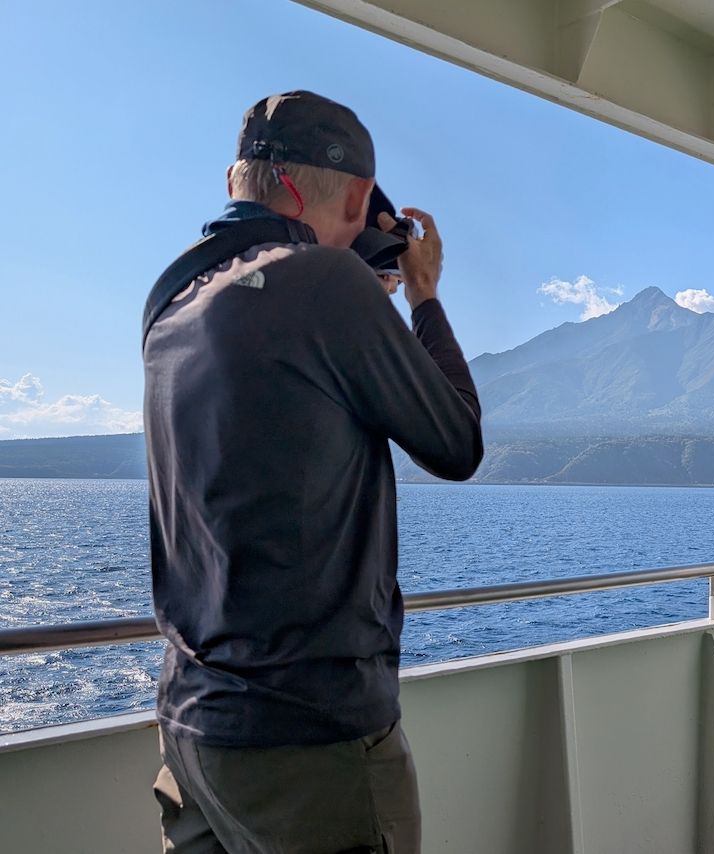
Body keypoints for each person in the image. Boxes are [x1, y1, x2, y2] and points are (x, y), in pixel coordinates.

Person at [143, 90, 483, 853]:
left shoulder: (171, 300)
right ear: (360, 196)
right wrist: (421, 298)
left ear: (239, 179)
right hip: (307, 737)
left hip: (192, 725)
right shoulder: (329, 287)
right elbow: (456, 442)